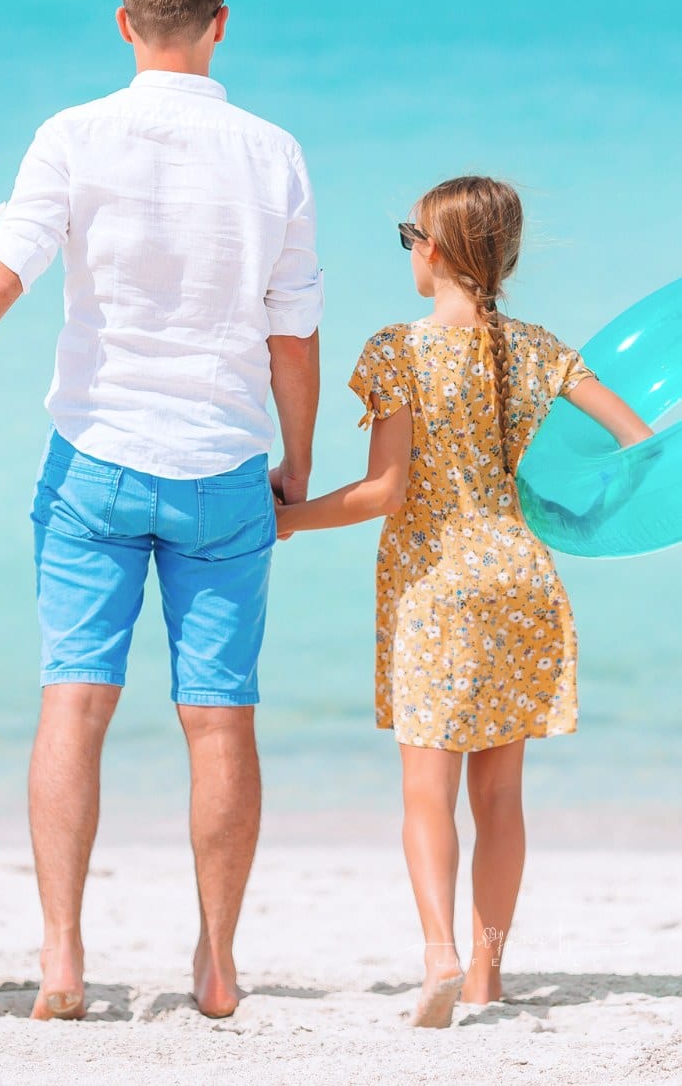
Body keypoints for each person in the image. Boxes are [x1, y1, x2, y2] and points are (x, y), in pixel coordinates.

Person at [0, 0, 323, 1021]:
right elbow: (293, 336)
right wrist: (298, 461)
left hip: (94, 466)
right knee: (221, 719)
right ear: (220, 23)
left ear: (123, 23)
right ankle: (218, 966)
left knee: (74, 702)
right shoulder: (273, 151)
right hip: (224, 469)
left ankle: (61, 961)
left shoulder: (73, 135)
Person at [273, 176, 651, 1028]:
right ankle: (487, 978)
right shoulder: (541, 349)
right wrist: (585, 516)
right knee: (502, 799)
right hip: (521, 576)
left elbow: (383, 493)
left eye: (410, 235)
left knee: (425, 794)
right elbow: (635, 443)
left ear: (433, 250)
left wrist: (289, 521)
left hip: (438, 586)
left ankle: (439, 952)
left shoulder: (396, 352)